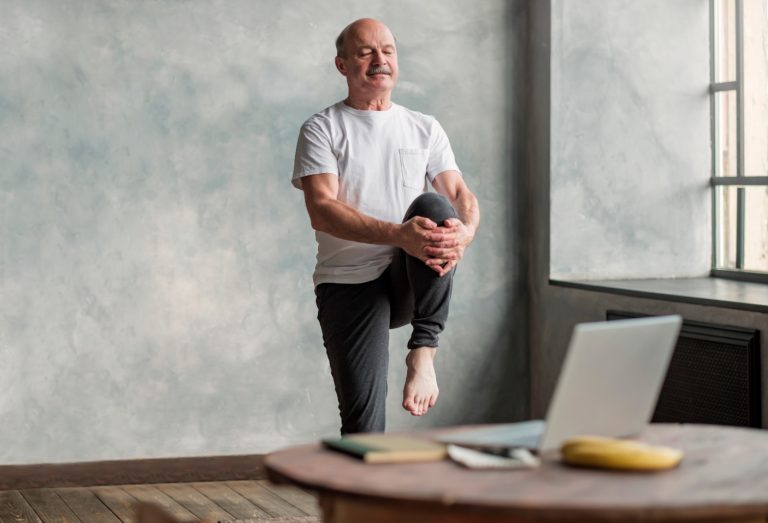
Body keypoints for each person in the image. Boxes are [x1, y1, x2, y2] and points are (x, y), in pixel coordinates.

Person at [291, 18, 480, 435]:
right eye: (366, 53)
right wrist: (399, 234)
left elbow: (461, 195)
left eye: (388, 51)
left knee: (435, 205)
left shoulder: (424, 126)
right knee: (362, 425)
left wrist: (465, 231)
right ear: (342, 65)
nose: (380, 61)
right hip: (348, 282)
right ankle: (359, 499)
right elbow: (321, 210)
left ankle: (424, 352)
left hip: (408, 277)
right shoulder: (322, 128)